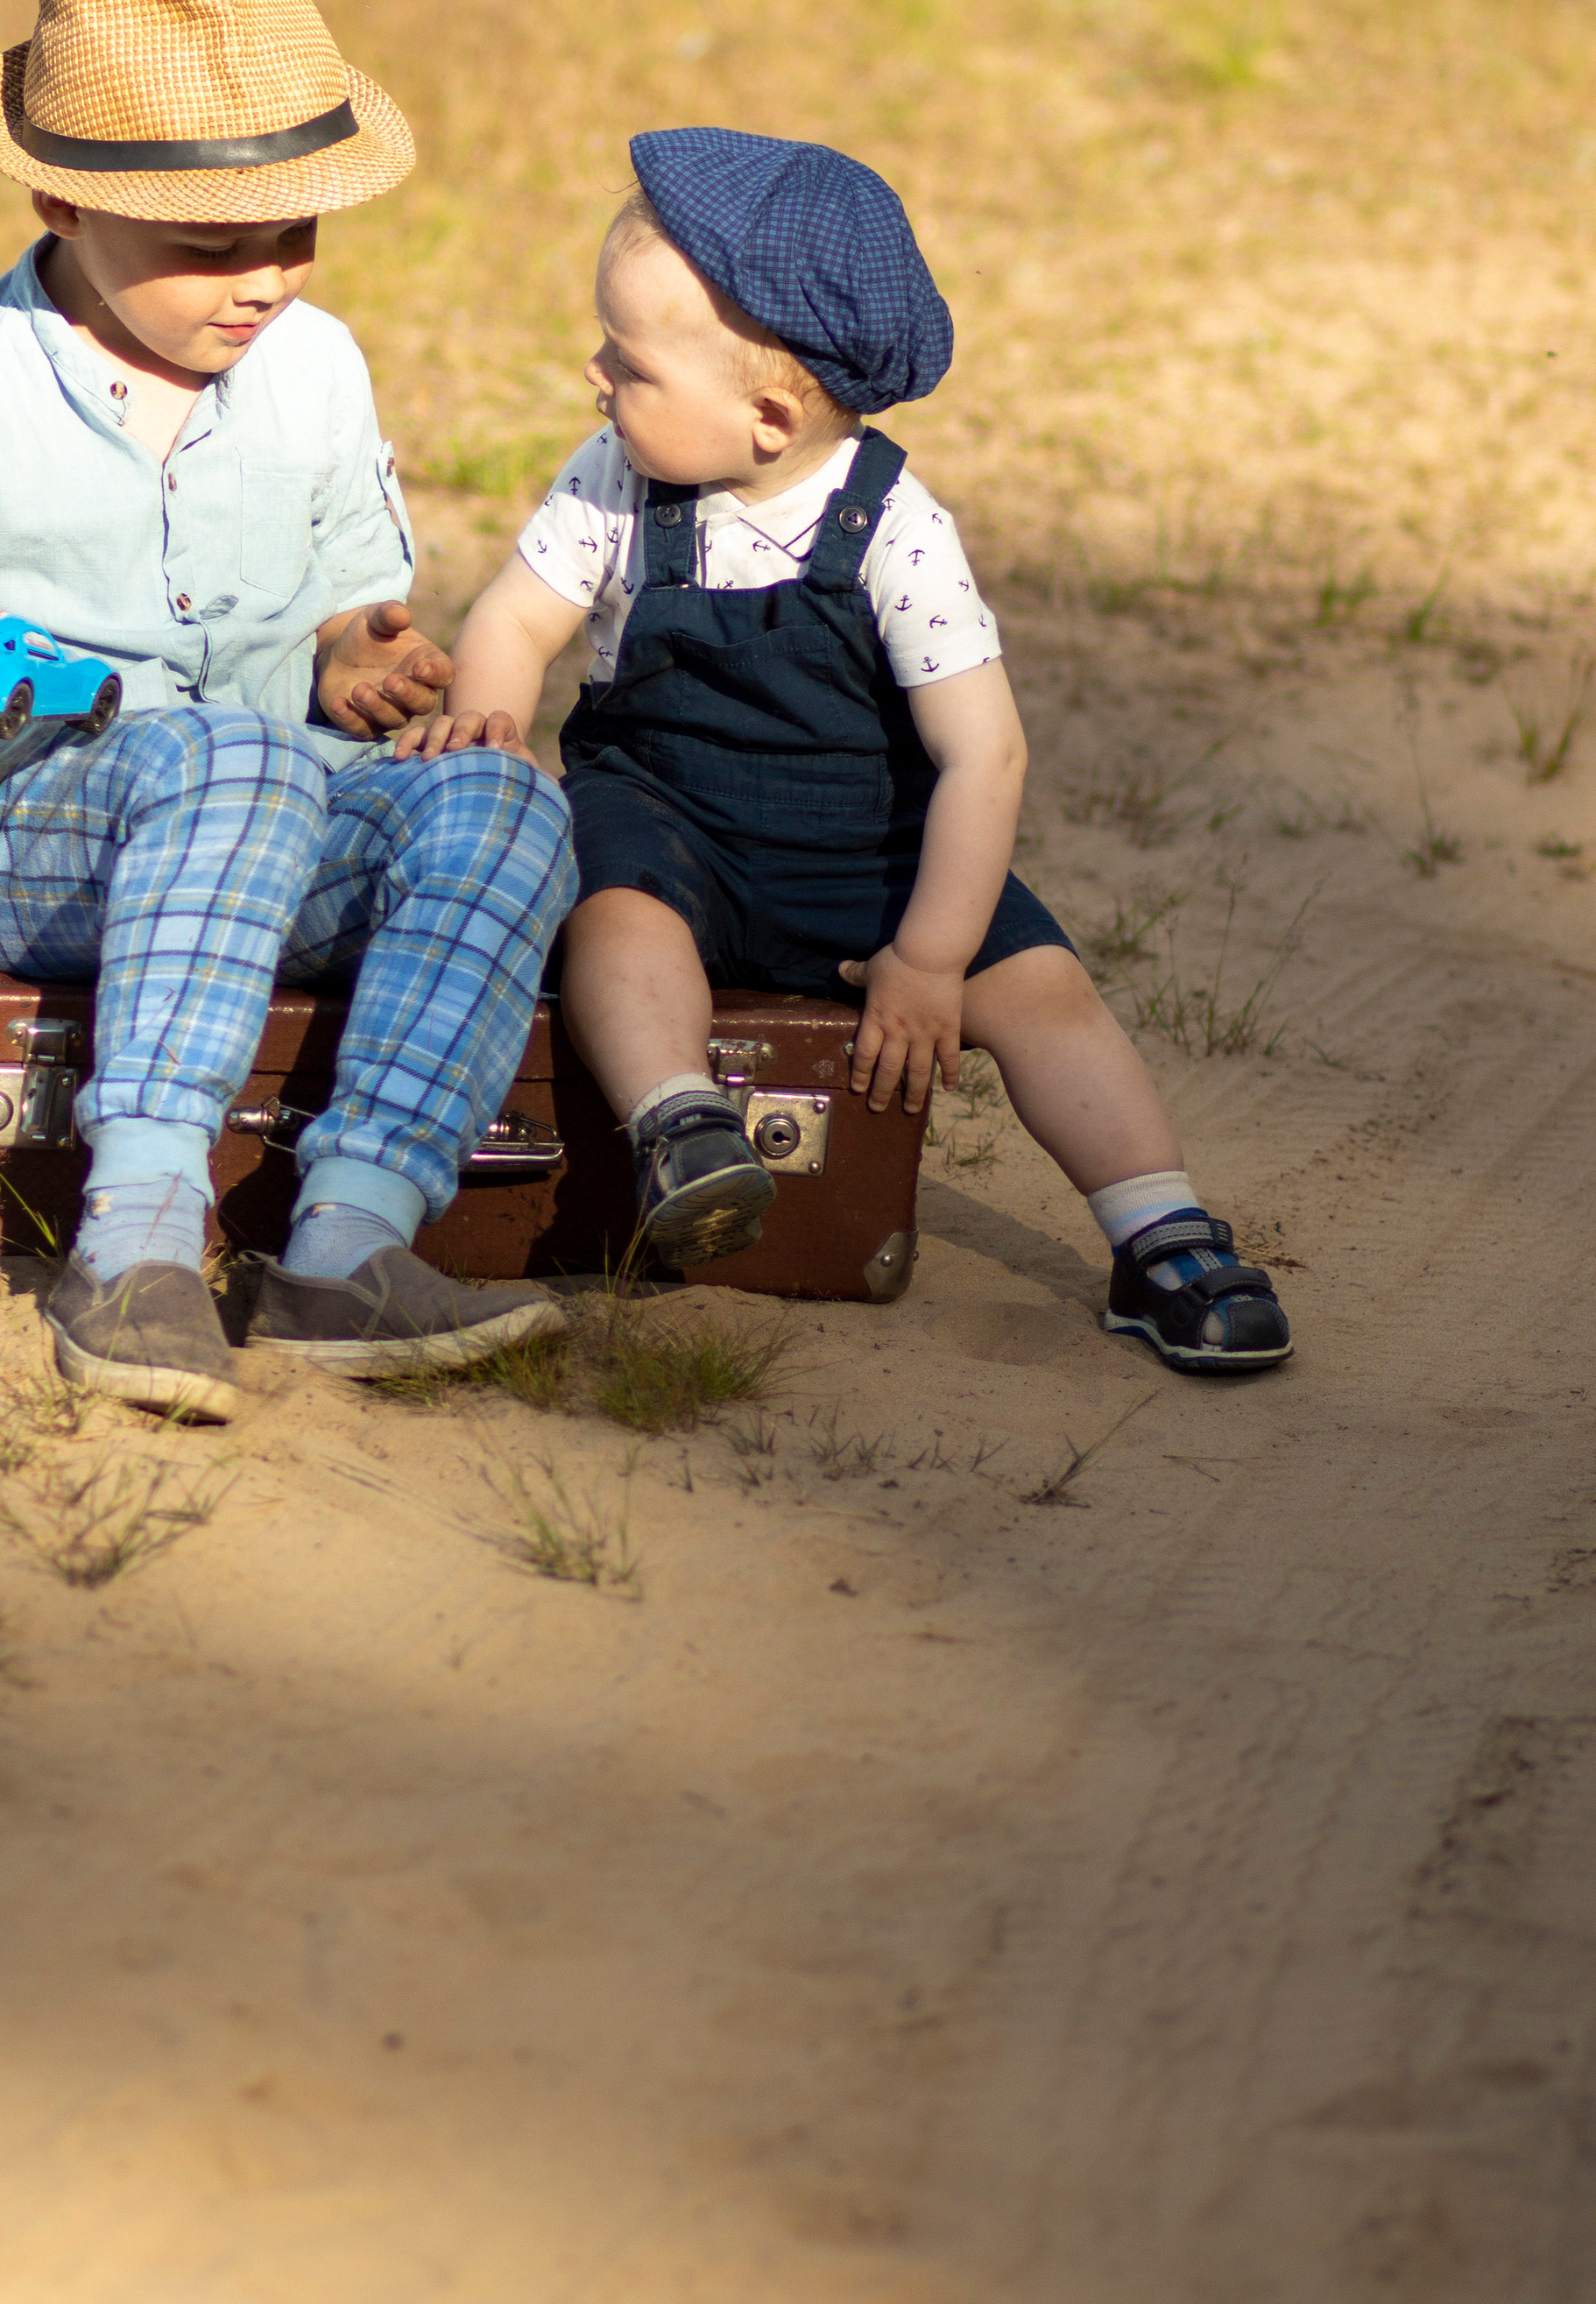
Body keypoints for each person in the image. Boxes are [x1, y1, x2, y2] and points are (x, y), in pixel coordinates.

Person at [0, 0, 577, 1418]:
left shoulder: (317, 366)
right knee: (234, 757)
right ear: (62, 200)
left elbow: (350, 600)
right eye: (210, 246)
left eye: (296, 236)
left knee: (505, 801)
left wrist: (362, 660)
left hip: (263, 823)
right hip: (29, 846)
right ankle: (138, 1236)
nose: (262, 281)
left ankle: (346, 1240)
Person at [398, 129, 1292, 1374]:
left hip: (858, 850)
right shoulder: (615, 478)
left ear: (767, 417)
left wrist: (929, 960)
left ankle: (1160, 1231)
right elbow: (515, 619)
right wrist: (494, 723)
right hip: (667, 818)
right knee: (614, 913)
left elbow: (986, 759)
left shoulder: (896, 530)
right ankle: (680, 1122)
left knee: (1043, 992)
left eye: (629, 361)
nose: (592, 374)